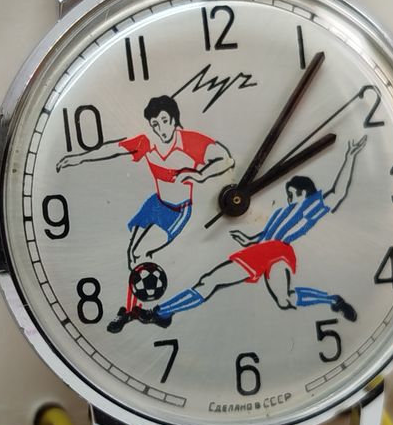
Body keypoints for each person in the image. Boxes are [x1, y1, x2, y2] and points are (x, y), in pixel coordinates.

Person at [143, 137, 368, 327]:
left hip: (277, 251)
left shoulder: (311, 207)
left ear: (303, 193)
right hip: (264, 252)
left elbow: (337, 194)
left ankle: (162, 312)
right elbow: (264, 237)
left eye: (292, 194)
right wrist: (247, 239)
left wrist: (349, 158)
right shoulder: (281, 213)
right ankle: (333, 300)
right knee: (284, 299)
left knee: (211, 281)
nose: (289, 198)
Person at [56, 95, 233, 332]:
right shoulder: (146, 142)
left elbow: (225, 158)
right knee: (132, 255)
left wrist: (200, 175)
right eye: (155, 124)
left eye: (164, 121)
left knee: (141, 254)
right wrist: (78, 159)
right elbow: (113, 149)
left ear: (174, 119)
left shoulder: (190, 141)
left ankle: (143, 312)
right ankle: (133, 310)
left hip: (176, 210)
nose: (161, 128)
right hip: (155, 204)